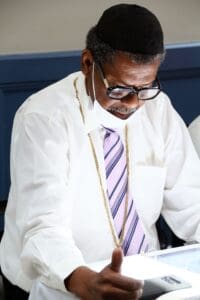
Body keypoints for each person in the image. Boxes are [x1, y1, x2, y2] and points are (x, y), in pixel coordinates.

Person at [1, 3, 200, 300]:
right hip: (59, 282)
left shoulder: (158, 109)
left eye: (145, 87)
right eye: (118, 89)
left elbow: (193, 203)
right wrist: (82, 279)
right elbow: (42, 227)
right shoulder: (43, 118)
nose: (133, 103)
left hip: (142, 277)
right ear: (87, 63)